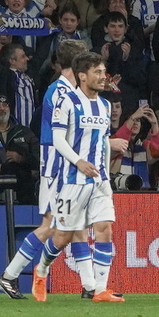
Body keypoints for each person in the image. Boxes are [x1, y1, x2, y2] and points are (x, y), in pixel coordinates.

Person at [0, 40, 101, 300]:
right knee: (52, 227)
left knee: (77, 228)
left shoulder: (69, 90)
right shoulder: (60, 92)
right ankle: (9, 276)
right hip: (57, 171)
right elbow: (59, 137)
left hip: (65, 171)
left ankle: (90, 287)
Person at [32, 51, 124, 303]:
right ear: (83, 76)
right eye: (98, 72)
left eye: (104, 72)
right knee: (62, 237)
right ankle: (40, 271)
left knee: (105, 229)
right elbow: (58, 140)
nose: (103, 77)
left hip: (99, 180)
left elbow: (103, 143)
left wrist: (106, 174)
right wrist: (78, 161)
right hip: (72, 180)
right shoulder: (67, 102)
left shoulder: (105, 106)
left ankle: (100, 290)